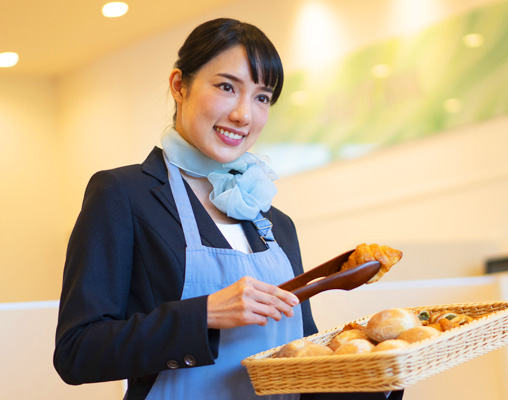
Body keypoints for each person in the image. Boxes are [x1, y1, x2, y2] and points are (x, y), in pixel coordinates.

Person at [53, 18, 404, 400]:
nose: (243, 115)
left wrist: (380, 376)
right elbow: (77, 352)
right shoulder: (124, 195)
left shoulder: (274, 223)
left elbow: (301, 363)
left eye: (262, 97)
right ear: (179, 86)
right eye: (226, 87)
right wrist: (203, 314)